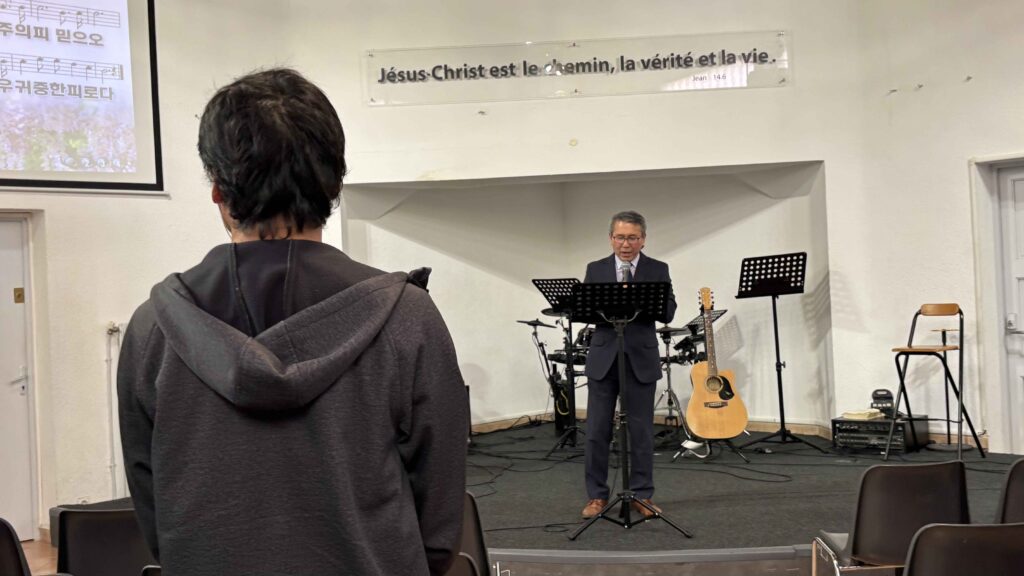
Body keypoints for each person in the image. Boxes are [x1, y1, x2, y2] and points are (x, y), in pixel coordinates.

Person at [117, 68, 468, 576]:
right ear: (333, 184)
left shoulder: (153, 328)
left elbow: (152, 502)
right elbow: (438, 512)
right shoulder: (406, 318)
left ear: (217, 189)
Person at [581, 211, 676, 519]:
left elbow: (669, 311)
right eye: (620, 237)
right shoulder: (595, 269)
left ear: (643, 239)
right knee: (596, 431)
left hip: (640, 358)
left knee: (641, 431)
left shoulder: (657, 269)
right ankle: (596, 496)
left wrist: (640, 301)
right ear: (611, 238)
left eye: (632, 238)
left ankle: (641, 495)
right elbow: (586, 312)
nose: (626, 244)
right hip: (604, 359)